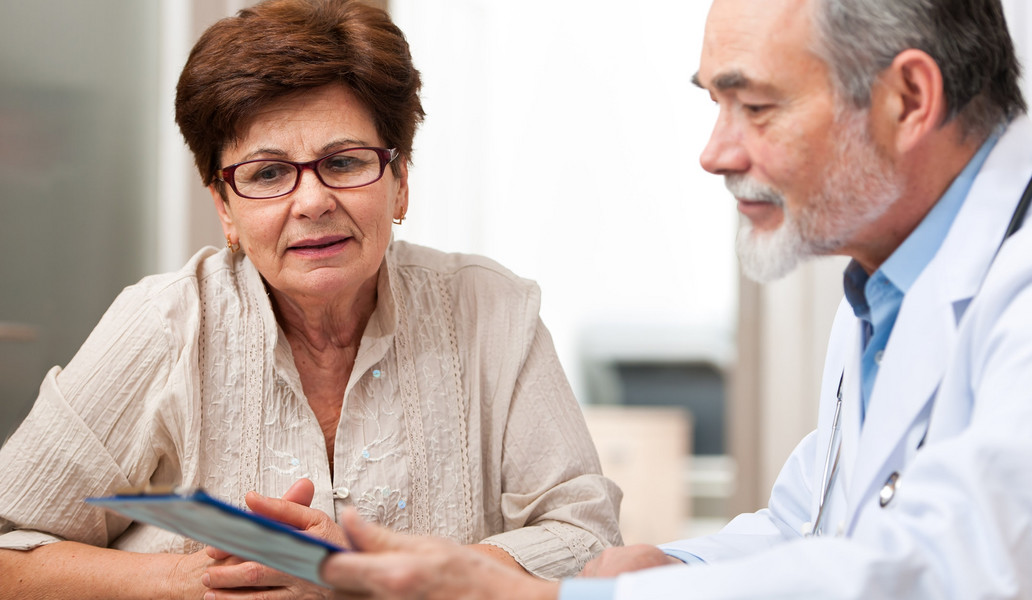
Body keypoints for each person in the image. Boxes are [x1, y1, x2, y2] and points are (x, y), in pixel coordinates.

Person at [316, 0, 1032, 598]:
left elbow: (954, 569)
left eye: (756, 107)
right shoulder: (888, 279)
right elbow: (811, 523)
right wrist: (644, 568)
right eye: (714, 105)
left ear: (909, 98)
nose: (716, 152)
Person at [0, 1, 622, 598]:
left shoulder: (493, 312)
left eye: (345, 163)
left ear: (400, 183)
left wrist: (379, 575)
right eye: (268, 174)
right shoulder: (164, 324)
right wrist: (190, 584)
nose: (312, 201)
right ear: (225, 207)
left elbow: (586, 537)